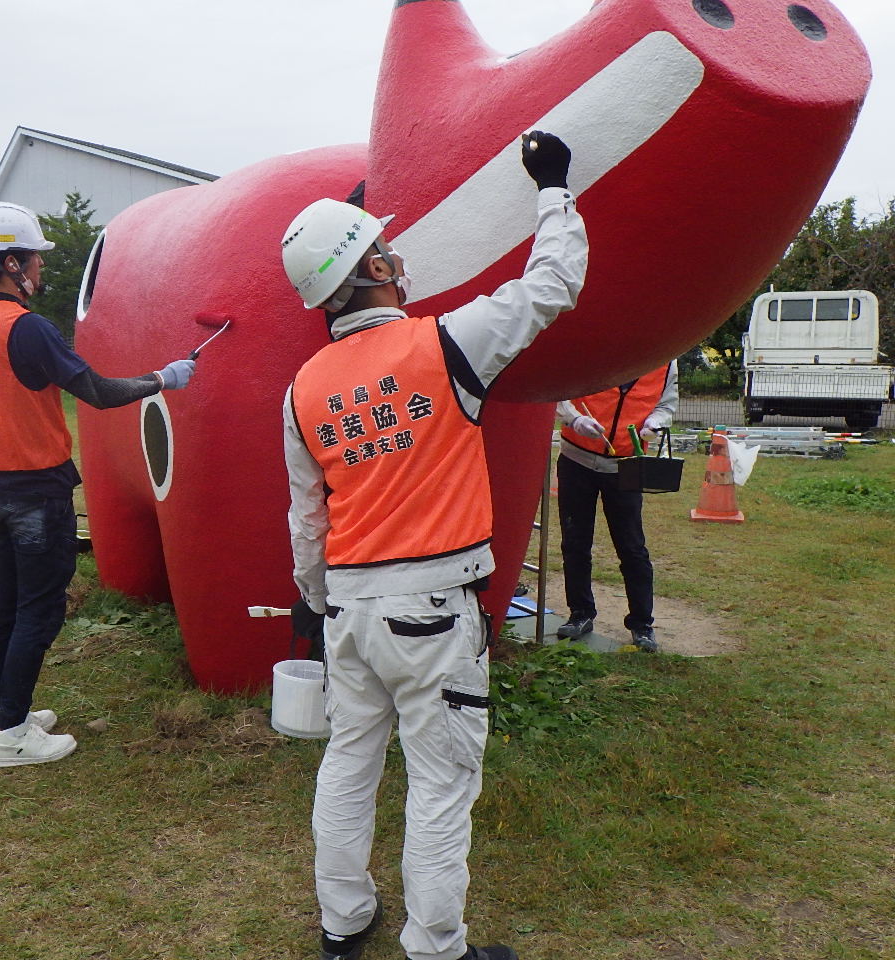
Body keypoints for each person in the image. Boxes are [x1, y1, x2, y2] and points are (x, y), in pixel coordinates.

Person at [281, 132, 587, 960]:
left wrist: (313, 601)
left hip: (348, 607)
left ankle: (343, 924)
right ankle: (436, 947)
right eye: (383, 248)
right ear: (373, 273)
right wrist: (553, 188)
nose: (396, 254)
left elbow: (306, 515)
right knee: (442, 784)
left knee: (348, 764)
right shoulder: (446, 343)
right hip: (433, 615)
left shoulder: (303, 388)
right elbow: (553, 282)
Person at [0, 201, 197, 767]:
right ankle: (14, 734)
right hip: (37, 494)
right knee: (39, 611)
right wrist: (163, 379)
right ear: (12, 262)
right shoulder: (27, 327)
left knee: (7, 605)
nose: (40, 269)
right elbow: (97, 392)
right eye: (35, 259)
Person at [554, 361, 678, 652]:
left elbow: (666, 404)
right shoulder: (598, 347)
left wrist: (655, 423)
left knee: (632, 547)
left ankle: (642, 624)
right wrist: (574, 420)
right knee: (575, 542)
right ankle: (580, 614)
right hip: (576, 459)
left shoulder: (666, 360)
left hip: (627, 466)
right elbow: (557, 395)